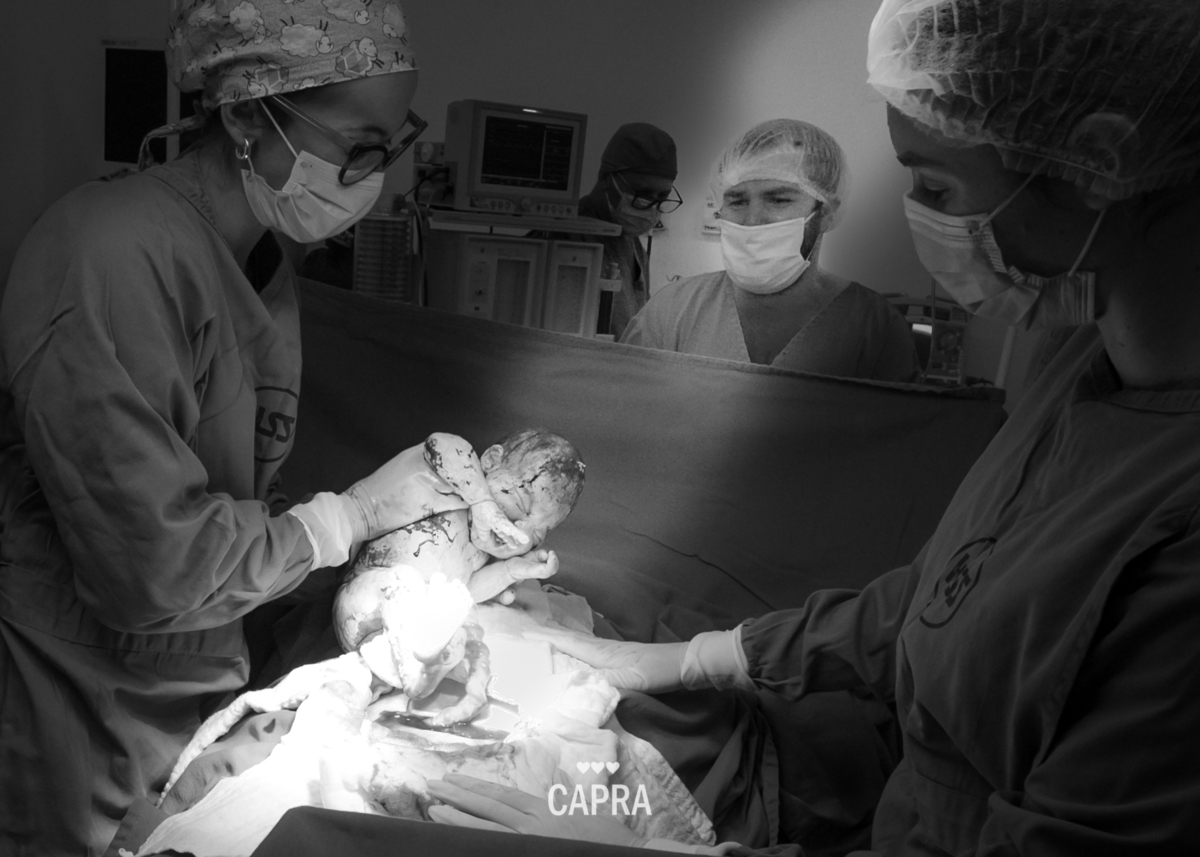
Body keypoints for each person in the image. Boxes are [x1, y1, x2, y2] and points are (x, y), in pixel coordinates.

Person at [428, 0, 1200, 853]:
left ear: (1098, 163)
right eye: (738, 201)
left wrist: (660, 848)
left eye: (937, 185)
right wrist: (687, 658)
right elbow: (940, 597)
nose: (919, 212)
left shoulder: (1176, 513)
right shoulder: (1073, 365)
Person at [0, 3, 525, 854]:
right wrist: (347, 517)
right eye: (359, 145)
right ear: (247, 112)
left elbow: (229, 492)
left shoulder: (261, 263)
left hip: (196, 684)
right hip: (81, 706)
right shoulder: (108, 255)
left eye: (390, 145)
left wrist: (382, 570)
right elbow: (150, 568)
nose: (373, 176)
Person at [621, 119, 918, 383]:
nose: (753, 220)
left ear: (826, 212)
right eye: (737, 201)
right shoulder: (672, 313)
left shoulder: (874, 329)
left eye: (778, 200)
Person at [337, 427, 587, 648]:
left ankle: (414, 661)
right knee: (400, 589)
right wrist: (481, 501)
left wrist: (510, 571)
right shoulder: (450, 486)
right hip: (366, 597)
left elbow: (465, 591)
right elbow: (441, 444)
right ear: (491, 461)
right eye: (521, 504)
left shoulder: (480, 554)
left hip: (413, 627)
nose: (522, 533)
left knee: (460, 620)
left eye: (538, 535)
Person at [577, 123, 682, 339]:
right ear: (606, 179)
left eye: (661, 197)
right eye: (643, 194)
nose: (651, 206)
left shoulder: (628, 239)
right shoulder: (567, 237)